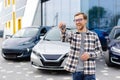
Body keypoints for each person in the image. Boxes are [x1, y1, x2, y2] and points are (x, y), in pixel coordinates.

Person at [58, 12, 103, 80]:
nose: (77, 22)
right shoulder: (72, 34)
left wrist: (90, 55)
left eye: (80, 19)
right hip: (76, 72)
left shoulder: (94, 35)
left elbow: (100, 52)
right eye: (76, 20)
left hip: (89, 72)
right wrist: (62, 29)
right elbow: (64, 38)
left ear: (85, 20)